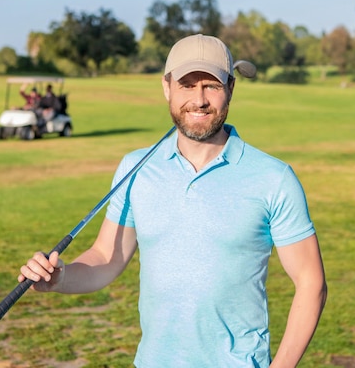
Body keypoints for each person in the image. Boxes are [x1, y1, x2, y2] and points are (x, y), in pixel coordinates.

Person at [18, 34, 327, 367]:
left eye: (212, 85)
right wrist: (59, 278)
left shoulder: (273, 178)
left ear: (231, 89)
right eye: (187, 85)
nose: (199, 99)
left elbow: (311, 283)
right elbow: (107, 257)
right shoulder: (135, 169)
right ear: (166, 87)